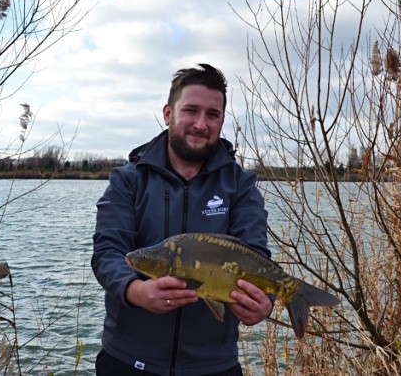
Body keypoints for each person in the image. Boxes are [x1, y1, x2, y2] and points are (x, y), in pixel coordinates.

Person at [91, 63, 274, 376]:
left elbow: (256, 256)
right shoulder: (128, 180)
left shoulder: (240, 185)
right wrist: (136, 291)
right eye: (191, 110)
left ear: (221, 121)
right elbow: (108, 254)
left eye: (212, 114)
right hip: (127, 360)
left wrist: (265, 302)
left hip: (214, 366)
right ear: (168, 113)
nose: (201, 124)